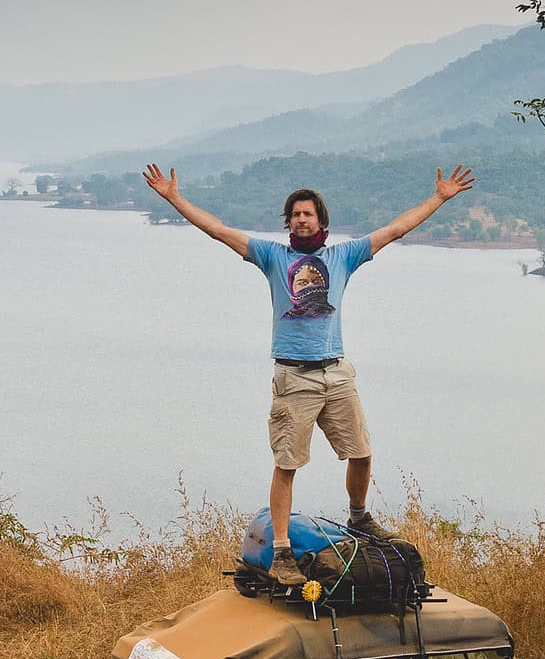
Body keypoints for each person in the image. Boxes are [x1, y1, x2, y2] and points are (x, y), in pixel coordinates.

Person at [141, 163, 475, 549]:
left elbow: (396, 230)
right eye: (296, 215)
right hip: (294, 377)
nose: (301, 220)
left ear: (320, 221)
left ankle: (359, 516)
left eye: (308, 214)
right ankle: (281, 548)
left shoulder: (344, 256)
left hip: (336, 372)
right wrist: (174, 197)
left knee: (362, 454)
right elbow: (218, 230)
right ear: (289, 222)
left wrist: (438, 197)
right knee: (287, 465)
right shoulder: (272, 256)